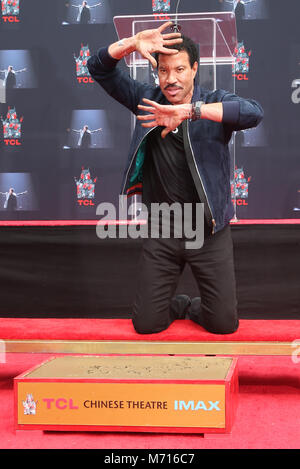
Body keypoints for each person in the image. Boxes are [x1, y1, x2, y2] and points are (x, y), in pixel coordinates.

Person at [87, 22, 263, 335]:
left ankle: (194, 307)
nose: (171, 79)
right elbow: (98, 68)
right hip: (163, 230)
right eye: (164, 70)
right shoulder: (147, 100)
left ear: (195, 69)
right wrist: (131, 43)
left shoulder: (212, 102)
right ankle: (176, 304)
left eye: (180, 69)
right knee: (146, 325)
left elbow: (253, 113)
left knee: (224, 325)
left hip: (209, 231)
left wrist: (191, 112)